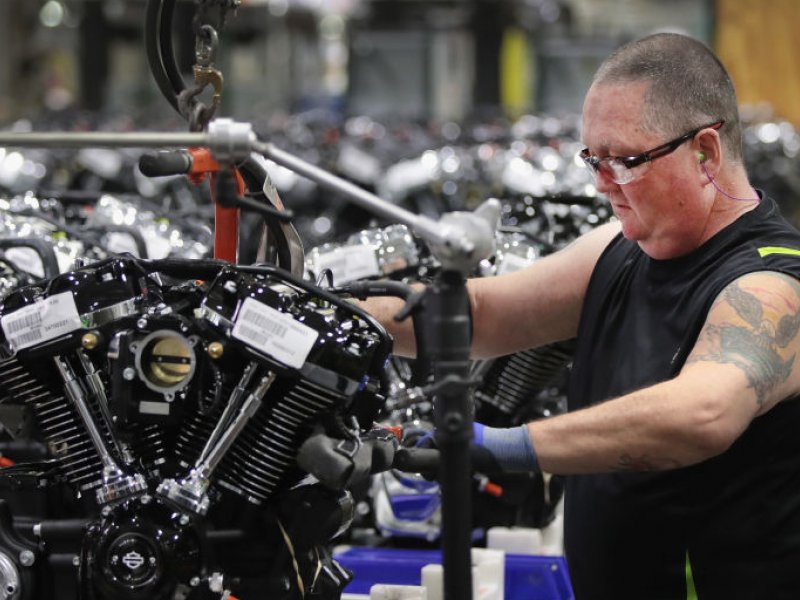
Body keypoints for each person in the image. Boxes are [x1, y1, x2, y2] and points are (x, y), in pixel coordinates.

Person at [363, 32, 800, 599]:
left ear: (706, 152)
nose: (601, 184)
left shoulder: (772, 285)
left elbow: (700, 413)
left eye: (625, 160)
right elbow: (478, 311)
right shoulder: (621, 248)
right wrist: (336, 318)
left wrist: (503, 445)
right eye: (593, 158)